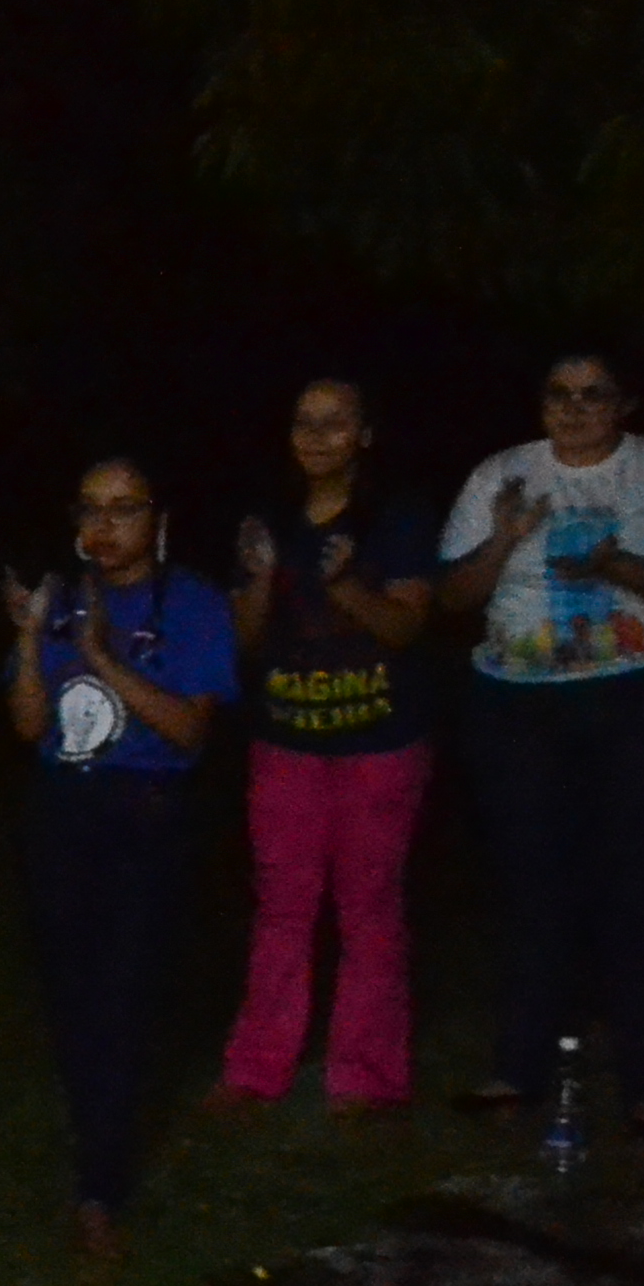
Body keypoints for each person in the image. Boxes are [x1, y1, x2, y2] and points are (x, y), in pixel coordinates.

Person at [430, 354, 644, 1132]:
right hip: (518, 703)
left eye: (593, 395)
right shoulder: (502, 473)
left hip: (641, 696)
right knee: (533, 887)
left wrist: (615, 564)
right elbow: (453, 596)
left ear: (624, 403)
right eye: (558, 394)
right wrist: (502, 538)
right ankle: (517, 1068)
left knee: (640, 885)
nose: (574, 409)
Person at [0, 460, 238, 1260]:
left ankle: (102, 1180)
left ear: (157, 519)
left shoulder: (196, 604)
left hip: (149, 812)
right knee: (71, 990)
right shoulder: (58, 596)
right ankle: (93, 1144)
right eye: (90, 510)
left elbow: (190, 731)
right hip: (64, 809)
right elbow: (31, 728)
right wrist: (33, 639)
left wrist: (100, 656)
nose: (104, 528)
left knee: (129, 991)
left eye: (123, 510)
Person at [212, 379, 443, 1115]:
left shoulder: (398, 518)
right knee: (282, 905)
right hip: (286, 743)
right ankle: (257, 1068)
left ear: (365, 434)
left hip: (380, 744)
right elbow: (240, 643)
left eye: (334, 423)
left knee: (369, 905)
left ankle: (366, 1075)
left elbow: (407, 627)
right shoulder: (268, 520)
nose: (315, 437)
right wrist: (253, 583)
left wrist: (344, 586)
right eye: (303, 422)